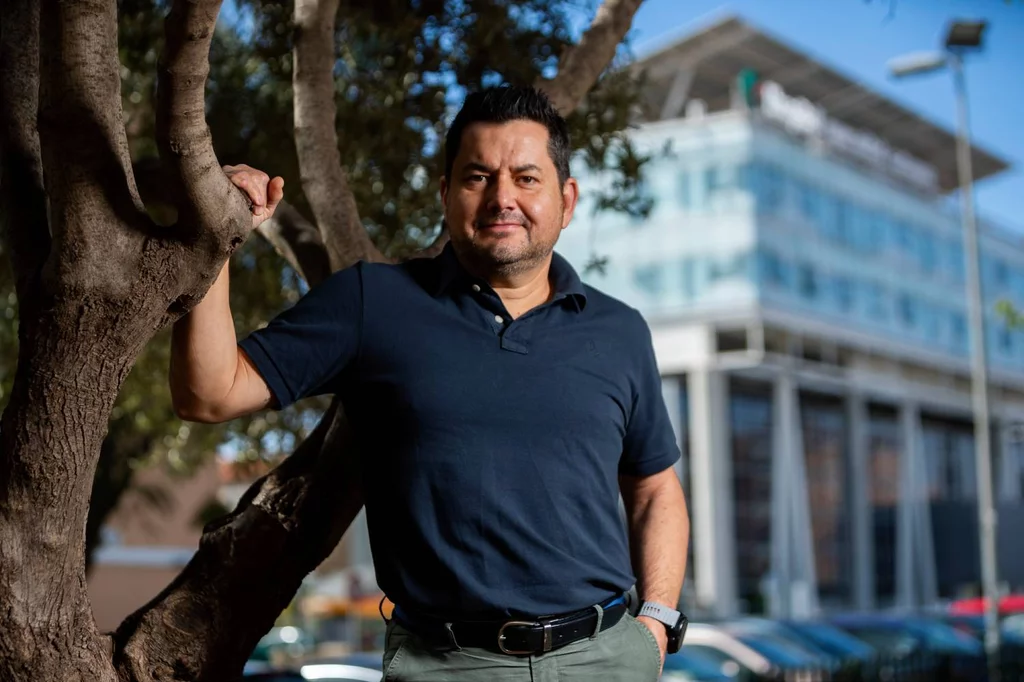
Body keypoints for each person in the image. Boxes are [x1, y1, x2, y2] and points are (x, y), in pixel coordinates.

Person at [170, 85, 690, 682]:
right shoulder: (375, 302)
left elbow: (654, 489)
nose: (502, 198)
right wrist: (215, 235)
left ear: (566, 200)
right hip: (445, 664)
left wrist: (653, 629)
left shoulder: (620, 330)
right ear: (445, 194)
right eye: (478, 177)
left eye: (526, 178)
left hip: (605, 660)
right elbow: (207, 393)